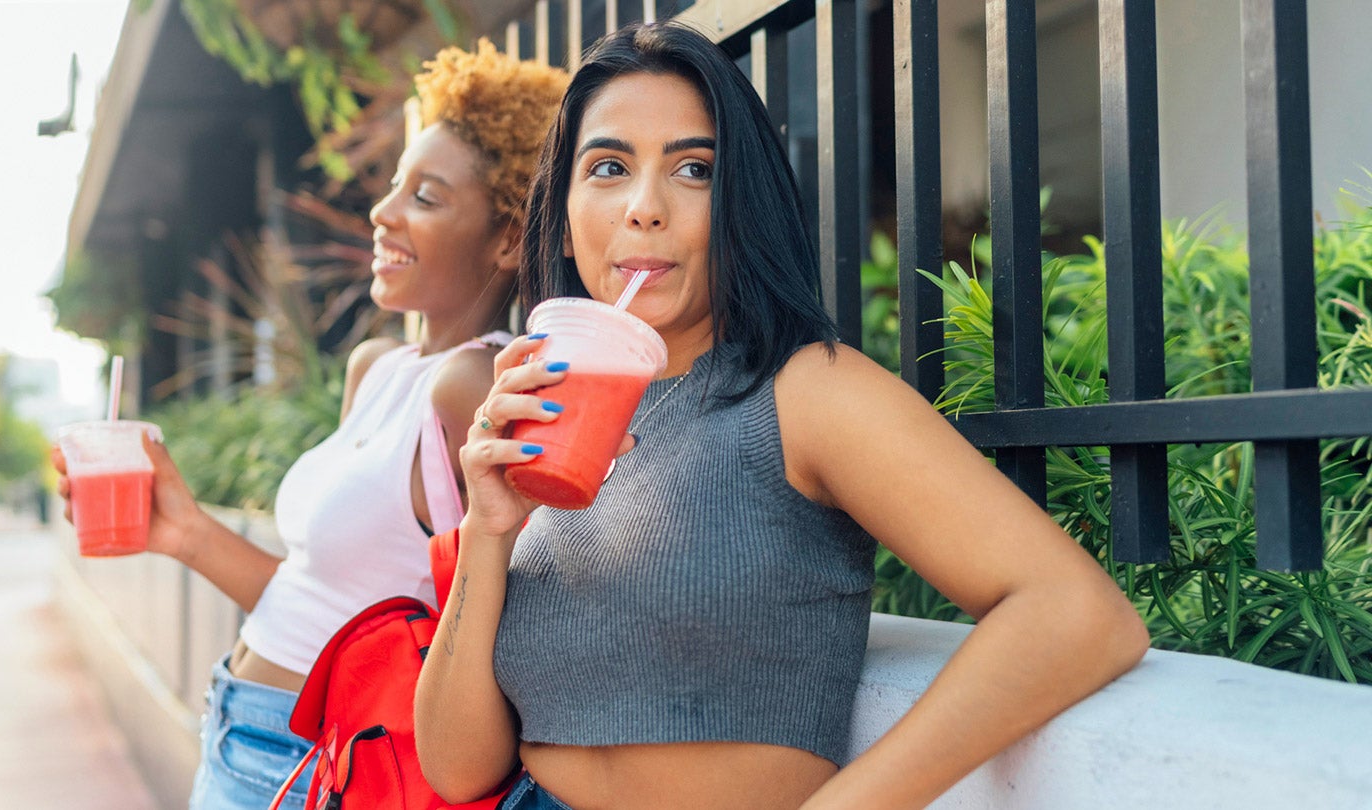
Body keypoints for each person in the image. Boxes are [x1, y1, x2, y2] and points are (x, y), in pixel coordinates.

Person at [413, 21, 1150, 810]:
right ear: (561, 213)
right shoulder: (554, 409)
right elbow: (459, 768)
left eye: (694, 169)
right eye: (608, 167)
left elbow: (1076, 615)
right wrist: (490, 532)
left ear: (740, 202)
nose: (644, 207)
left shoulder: (805, 393)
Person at [52, 41, 568, 810]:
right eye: (395, 184)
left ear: (505, 239)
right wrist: (182, 528)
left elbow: (515, 619)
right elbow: (321, 604)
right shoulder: (378, 368)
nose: (382, 211)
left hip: (318, 763)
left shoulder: (468, 388)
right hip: (238, 726)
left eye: (424, 198)